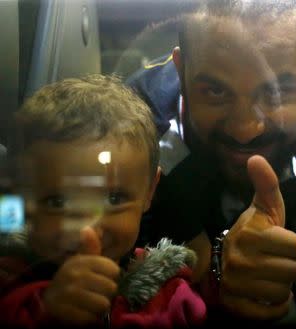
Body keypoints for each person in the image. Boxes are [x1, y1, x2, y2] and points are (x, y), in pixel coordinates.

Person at [127, 0, 296, 324]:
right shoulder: (135, 135)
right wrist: (211, 274)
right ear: (181, 71)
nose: (246, 130)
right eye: (215, 91)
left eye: (275, 92)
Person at [0, 74, 207, 328]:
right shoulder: (11, 287)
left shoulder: (172, 294)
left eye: (114, 198)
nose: (87, 226)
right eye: (57, 202)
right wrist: (48, 312)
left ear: (149, 192)